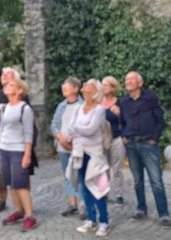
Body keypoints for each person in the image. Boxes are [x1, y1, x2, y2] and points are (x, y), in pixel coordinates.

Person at [119, 71, 171, 227]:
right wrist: (124, 136)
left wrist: (154, 139)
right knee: (137, 180)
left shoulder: (150, 98)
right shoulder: (124, 102)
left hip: (148, 144)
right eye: (126, 80)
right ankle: (141, 208)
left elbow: (160, 121)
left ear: (139, 83)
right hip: (131, 145)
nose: (127, 82)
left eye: (131, 80)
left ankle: (163, 213)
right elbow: (122, 121)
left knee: (156, 181)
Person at [67, 79, 110, 237]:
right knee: (84, 188)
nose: (84, 87)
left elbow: (91, 130)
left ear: (94, 91)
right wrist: (79, 130)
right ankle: (91, 220)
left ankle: (104, 222)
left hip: (93, 155)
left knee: (98, 187)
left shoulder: (99, 109)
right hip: (79, 153)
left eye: (87, 85)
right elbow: (70, 128)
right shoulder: (78, 108)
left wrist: (77, 130)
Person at [0, 78, 37, 230]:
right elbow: (1, 131)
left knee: (21, 184)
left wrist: (27, 155)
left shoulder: (25, 108)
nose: (7, 86)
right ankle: (18, 211)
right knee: (10, 184)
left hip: (18, 151)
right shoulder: (4, 108)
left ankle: (29, 216)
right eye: (6, 84)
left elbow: (28, 134)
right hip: (4, 150)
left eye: (11, 84)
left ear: (19, 90)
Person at [0, 67, 29, 213]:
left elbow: (28, 124)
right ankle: (1, 199)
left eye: (8, 74)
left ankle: (24, 204)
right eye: (3, 74)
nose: (4, 76)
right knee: (1, 175)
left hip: (19, 144)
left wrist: (28, 148)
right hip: (1, 143)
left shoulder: (23, 99)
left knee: (21, 175)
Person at [50, 76, 86, 219]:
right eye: (63, 85)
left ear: (76, 89)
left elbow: (84, 126)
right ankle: (72, 204)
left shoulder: (83, 105)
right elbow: (54, 124)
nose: (63, 87)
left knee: (80, 176)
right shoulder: (61, 106)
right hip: (62, 146)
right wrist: (61, 139)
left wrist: (72, 142)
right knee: (67, 176)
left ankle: (83, 206)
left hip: (77, 147)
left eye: (67, 85)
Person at [101, 76, 126, 206]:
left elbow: (127, 121)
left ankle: (119, 195)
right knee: (104, 168)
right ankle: (104, 193)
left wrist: (119, 114)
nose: (103, 87)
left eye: (106, 85)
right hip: (102, 140)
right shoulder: (98, 102)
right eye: (102, 85)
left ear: (113, 87)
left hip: (116, 139)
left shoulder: (119, 102)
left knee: (117, 169)